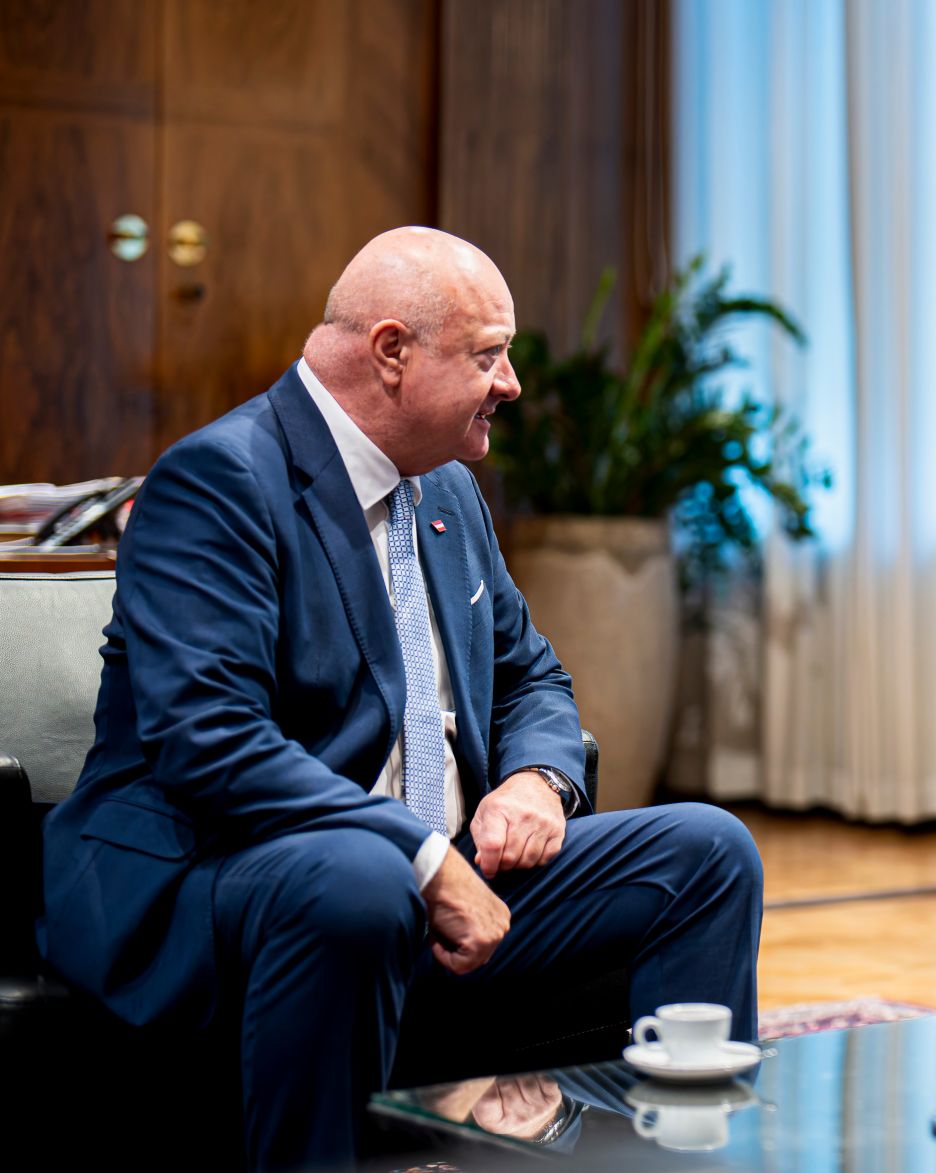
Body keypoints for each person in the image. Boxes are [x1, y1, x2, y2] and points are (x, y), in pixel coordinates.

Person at [38, 227, 763, 1170]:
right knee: (362, 883)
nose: (511, 384)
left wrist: (538, 779)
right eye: (488, 355)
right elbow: (209, 741)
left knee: (708, 852)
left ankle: (676, 1159)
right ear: (391, 352)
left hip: (430, 882)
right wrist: (423, 859)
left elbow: (531, 675)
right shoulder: (219, 480)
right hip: (227, 881)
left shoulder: (448, 492)